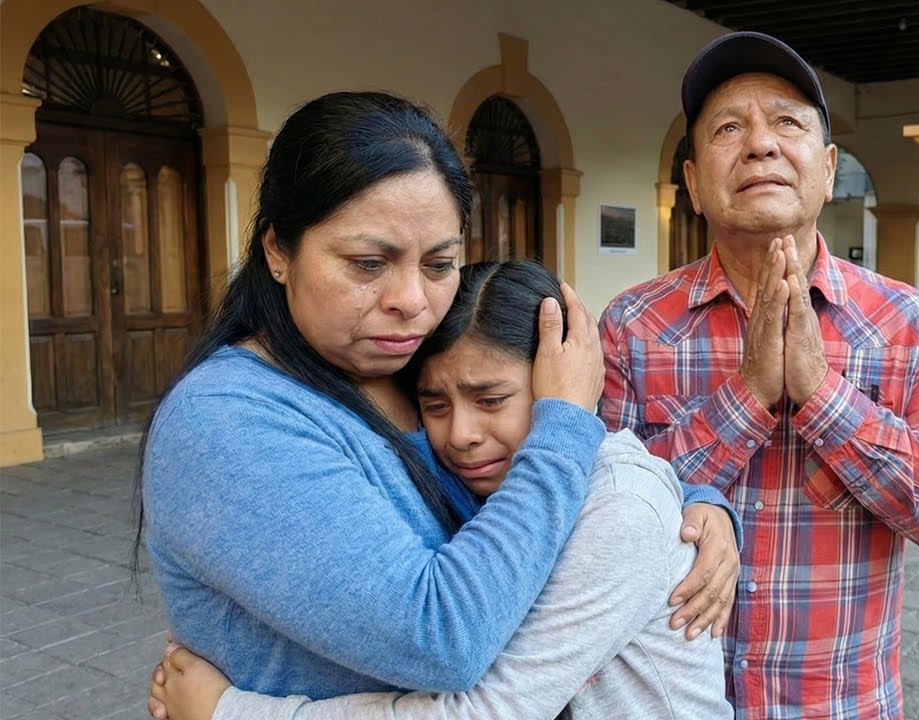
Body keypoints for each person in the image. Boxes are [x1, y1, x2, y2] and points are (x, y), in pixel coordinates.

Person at [140, 91, 738, 708]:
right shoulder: (225, 420)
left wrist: (684, 504)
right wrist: (565, 425)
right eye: (367, 263)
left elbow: (524, 496)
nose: (411, 300)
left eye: (439, 263)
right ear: (278, 251)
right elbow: (442, 637)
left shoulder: (398, 363)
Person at [598, 32, 919, 719]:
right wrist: (748, 397)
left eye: (787, 122)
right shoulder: (631, 326)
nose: (760, 145)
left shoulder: (908, 324)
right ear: (694, 183)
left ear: (827, 169)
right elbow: (597, 530)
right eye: (728, 128)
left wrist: (826, 398)